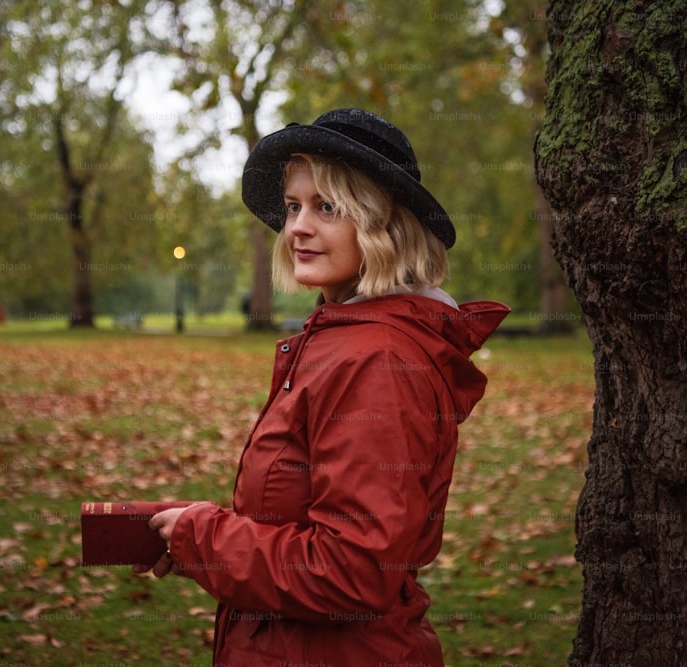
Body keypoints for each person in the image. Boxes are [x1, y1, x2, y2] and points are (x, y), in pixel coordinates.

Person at [136, 108, 510, 666]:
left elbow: (351, 573)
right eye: (293, 207)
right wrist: (197, 531)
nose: (296, 228)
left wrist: (205, 538)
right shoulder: (342, 336)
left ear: (386, 225)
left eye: (326, 207)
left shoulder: (377, 360)